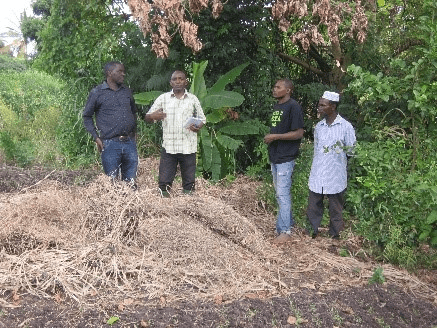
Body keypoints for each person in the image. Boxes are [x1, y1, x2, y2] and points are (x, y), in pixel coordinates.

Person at [145, 70, 206, 197]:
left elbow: (202, 119)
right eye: (175, 79)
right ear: (170, 83)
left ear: (186, 82)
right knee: (164, 180)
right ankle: (165, 205)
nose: (178, 81)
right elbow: (147, 117)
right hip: (169, 147)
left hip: (188, 146)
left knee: (189, 181)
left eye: (181, 79)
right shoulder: (163, 98)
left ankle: (188, 205)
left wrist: (198, 126)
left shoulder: (193, 99)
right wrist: (153, 116)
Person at [307, 91, 356, 239]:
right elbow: (317, 149)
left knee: (335, 207)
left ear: (333, 107)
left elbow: (351, 151)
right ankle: (312, 231)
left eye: (323, 105)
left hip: (336, 174)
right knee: (314, 205)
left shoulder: (346, 127)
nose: (319, 107)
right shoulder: (319, 127)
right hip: (318, 172)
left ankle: (335, 235)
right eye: (319, 104)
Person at [83, 61, 138, 188]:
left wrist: (134, 135)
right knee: (111, 183)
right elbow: (87, 116)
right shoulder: (97, 92)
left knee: (130, 182)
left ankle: (130, 206)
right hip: (109, 143)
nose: (123, 74)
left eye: (124, 71)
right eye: (120, 71)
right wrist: (96, 138)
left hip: (129, 143)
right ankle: (114, 207)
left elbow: (133, 113)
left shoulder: (127, 92)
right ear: (109, 73)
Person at [264, 79, 304, 244]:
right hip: (276, 156)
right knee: (280, 194)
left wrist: (275, 136)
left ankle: (285, 231)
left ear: (288, 90)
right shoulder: (277, 107)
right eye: (274, 86)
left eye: (278, 87)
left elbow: (299, 133)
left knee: (282, 193)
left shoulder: (293, 107)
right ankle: (286, 223)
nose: (274, 89)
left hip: (286, 157)